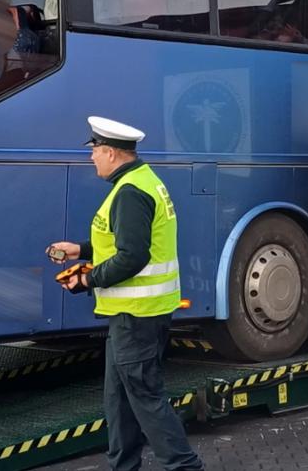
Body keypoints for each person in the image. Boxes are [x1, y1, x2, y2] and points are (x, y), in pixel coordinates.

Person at [47, 117, 204, 471]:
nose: (92, 159)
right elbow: (122, 244)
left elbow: (133, 255)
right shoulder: (138, 182)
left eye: (95, 152)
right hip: (133, 315)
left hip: (138, 315)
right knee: (118, 399)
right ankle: (124, 466)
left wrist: (87, 280)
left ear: (111, 153)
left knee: (145, 397)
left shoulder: (131, 192)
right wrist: (80, 250)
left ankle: (184, 466)